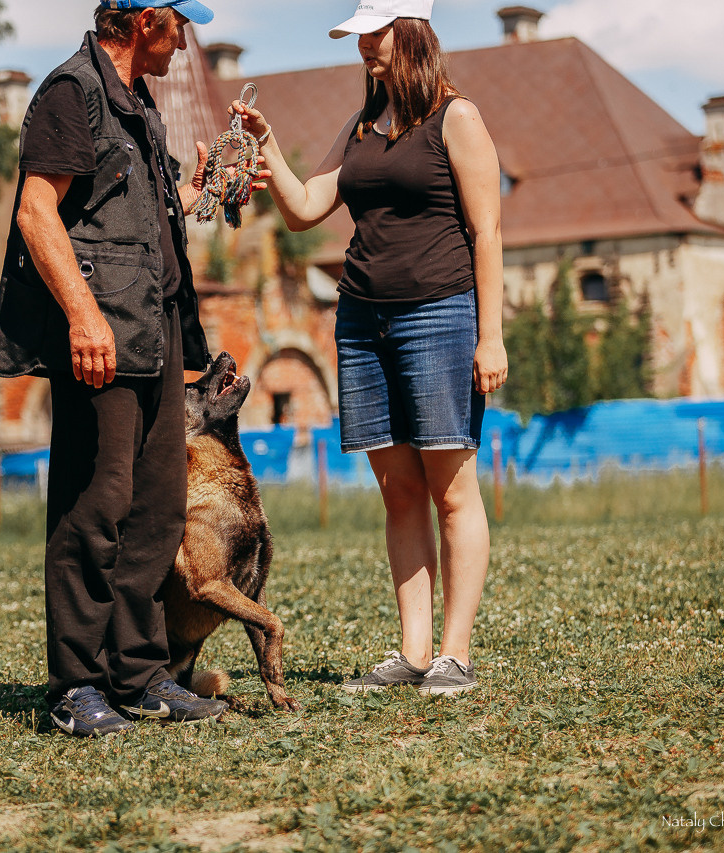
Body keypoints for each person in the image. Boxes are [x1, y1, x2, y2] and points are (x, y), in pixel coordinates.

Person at [232, 0, 507, 697]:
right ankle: (413, 653)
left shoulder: (458, 118)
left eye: (374, 35)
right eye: (359, 37)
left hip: (440, 317)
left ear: (410, 32)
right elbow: (302, 210)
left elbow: (489, 232)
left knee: (451, 489)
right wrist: (265, 144)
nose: (364, 49)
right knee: (399, 490)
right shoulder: (362, 125)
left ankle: (455, 653)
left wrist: (491, 332)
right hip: (360, 321)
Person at [0, 0, 230, 737]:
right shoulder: (72, 92)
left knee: (156, 506)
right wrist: (84, 316)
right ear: (146, 18)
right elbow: (37, 213)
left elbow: (142, 219)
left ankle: (139, 671)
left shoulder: (136, 104)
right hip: (101, 338)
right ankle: (76, 684)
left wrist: (208, 188)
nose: (186, 36)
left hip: (151, 334)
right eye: (180, 21)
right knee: (96, 507)